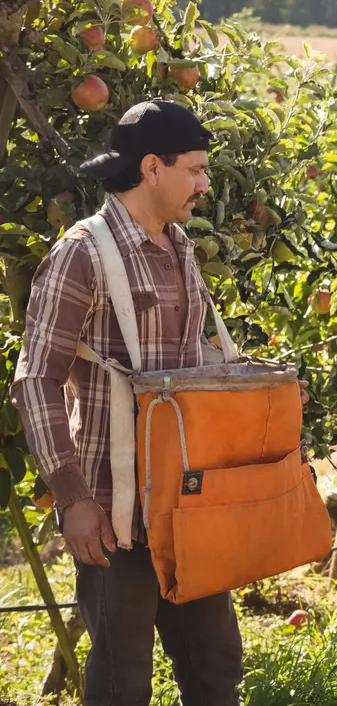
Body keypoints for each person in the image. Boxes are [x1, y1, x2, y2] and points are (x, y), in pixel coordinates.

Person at [11, 99, 298, 705]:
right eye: (194, 169)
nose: (205, 183)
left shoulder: (178, 247)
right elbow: (36, 378)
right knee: (121, 683)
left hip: (188, 505)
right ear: (151, 168)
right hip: (115, 515)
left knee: (215, 666)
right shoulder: (82, 254)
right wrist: (72, 497)